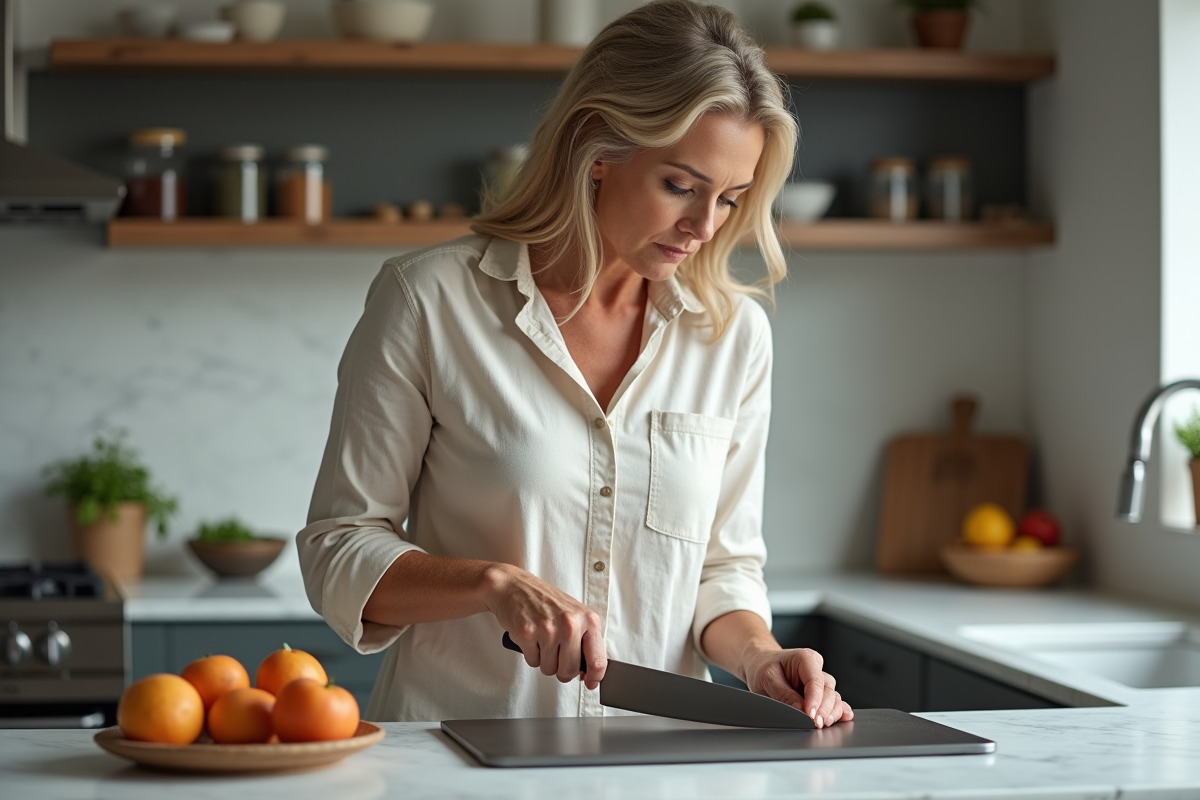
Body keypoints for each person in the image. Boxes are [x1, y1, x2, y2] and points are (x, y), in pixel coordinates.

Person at [297, 0, 853, 729]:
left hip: (656, 763)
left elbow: (722, 569)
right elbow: (338, 547)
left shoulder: (732, 335)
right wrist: (493, 585)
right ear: (597, 148)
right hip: (456, 754)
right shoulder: (429, 300)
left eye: (730, 198)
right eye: (680, 185)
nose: (705, 226)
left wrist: (758, 657)